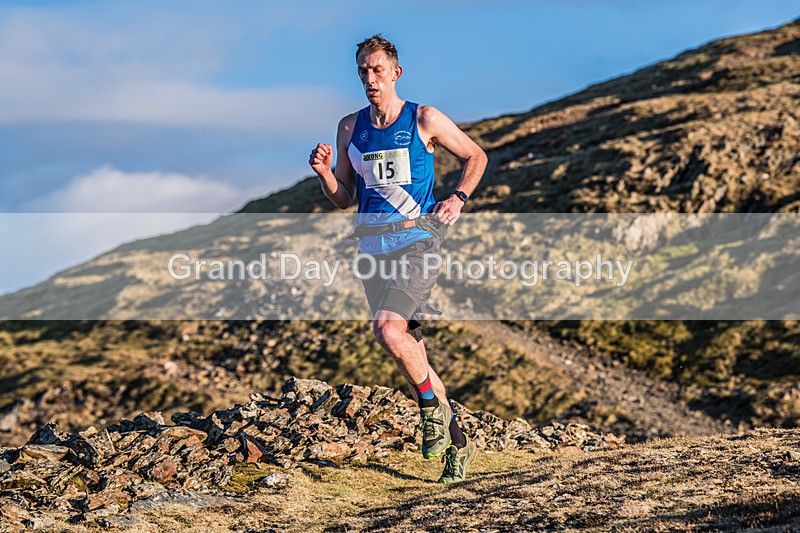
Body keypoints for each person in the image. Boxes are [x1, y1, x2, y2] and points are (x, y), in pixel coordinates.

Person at [309, 35, 487, 483]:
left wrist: (459, 197)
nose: (370, 79)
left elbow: (476, 155)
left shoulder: (423, 118)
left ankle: (429, 412)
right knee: (412, 358)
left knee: (388, 330)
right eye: (362, 72)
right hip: (372, 250)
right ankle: (459, 446)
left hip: (417, 243)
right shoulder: (350, 128)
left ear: (395, 73)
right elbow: (345, 197)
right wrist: (327, 175)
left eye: (376, 70)